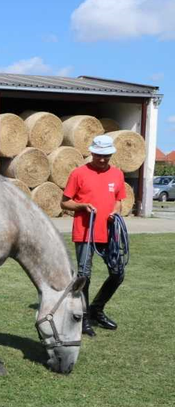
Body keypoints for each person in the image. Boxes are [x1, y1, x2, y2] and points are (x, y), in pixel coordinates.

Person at [61, 134, 127, 337]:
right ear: (92, 152)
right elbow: (64, 202)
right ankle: (83, 318)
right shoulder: (78, 173)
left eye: (106, 155)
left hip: (109, 234)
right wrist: (81, 206)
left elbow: (118, 199)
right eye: (99, 155)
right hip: (85, 233)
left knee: (118, 273)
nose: (103, 159)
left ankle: (96, 309)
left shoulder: (117, 174)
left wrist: (116, 211)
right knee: (84, 277)